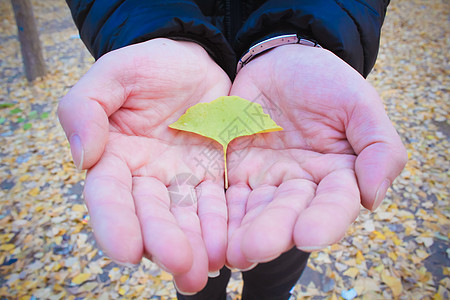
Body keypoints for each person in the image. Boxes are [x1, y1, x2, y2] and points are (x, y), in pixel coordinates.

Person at [58, 1, 407, 299]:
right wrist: (152, 31)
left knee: (276, 255)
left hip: (291, 154)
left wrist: (307, 37)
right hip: (183, 137)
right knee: (195, 269)